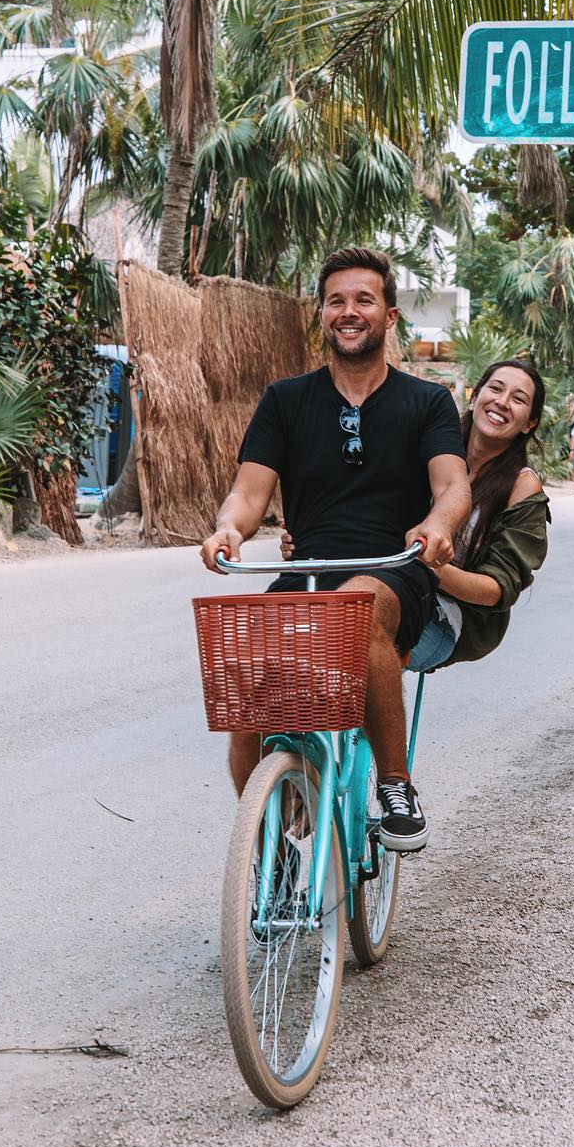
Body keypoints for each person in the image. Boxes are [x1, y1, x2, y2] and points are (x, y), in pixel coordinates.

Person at [200, 246, 470, 853]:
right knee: (246, 691)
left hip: (396, 572)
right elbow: (248, 491)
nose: (349, 311)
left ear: (390, 316)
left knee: (361, 604)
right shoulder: (285, 400)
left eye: (364, 300)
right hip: (310, 569)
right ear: (322, 315)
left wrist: (438, 525)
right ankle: (270, 844)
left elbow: (453, 485)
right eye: (336, 301)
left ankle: (396, 785)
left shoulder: (427, 402)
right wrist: (229, 530)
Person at [403, 359, 550, 670]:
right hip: (391, 586)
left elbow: (498, 588)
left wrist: (430, 566)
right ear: (474, 397)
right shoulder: (427, 448)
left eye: (518, 398)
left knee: (363, 643)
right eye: (495, 389)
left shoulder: (521, 485)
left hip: (447, 618)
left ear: (529, 423)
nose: (502, 401)